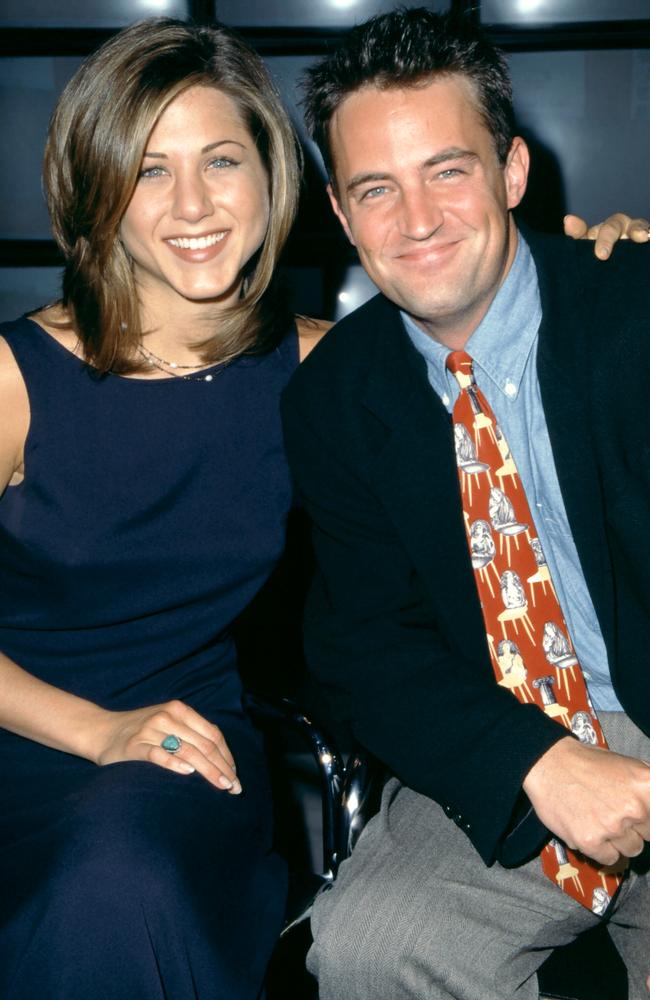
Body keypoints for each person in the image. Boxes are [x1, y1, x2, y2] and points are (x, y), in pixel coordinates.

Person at [282, 8, 650, 1000]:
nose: (416, 220)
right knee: (366, 944)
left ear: (512, 172)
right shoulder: (333, 395)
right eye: (375, 189)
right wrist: (534, 759)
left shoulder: (634, 312)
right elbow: (366, 640)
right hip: (495, 736)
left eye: (446, 169)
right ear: (341, 212)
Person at [0, 17, 331, 999]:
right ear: (95, 191)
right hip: (35, 728)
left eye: (221, 159)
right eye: (148, 170)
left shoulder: (318, 369)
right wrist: (95, 730)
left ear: (270, 177)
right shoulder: (15, 380)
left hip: (178, 755)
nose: (192, 203)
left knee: (115, 884)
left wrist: (600, 266)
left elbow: (507, 372)